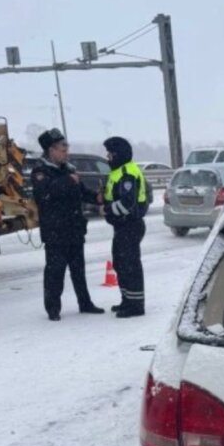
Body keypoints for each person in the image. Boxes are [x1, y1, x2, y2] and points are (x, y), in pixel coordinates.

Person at [31, 128, 104, 321]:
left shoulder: (69, 170)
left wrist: (97, 198)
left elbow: (81, 191)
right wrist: (67, 181)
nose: (66, 153)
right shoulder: (40, 172)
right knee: (55, 273)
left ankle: (85, 303)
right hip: (56, 232)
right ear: (51, 150)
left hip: (74, 229)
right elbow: (45, 194)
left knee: (79, 271)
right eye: (63, 149)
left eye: (66, 149)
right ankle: (53, 308)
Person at [102, 136, 148, 317]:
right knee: (120, 263)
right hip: (122, 226)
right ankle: (127, 300)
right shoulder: (119, 171)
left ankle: (136, 305)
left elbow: (127, 202)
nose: (108, 157)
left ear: (119, 154)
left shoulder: (128, 173)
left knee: (130, 265)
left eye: (110, 154)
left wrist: (107, 210)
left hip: (130, 225)